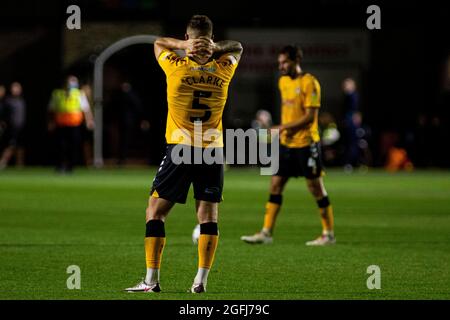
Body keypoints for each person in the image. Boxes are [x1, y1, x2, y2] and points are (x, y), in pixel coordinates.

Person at [125, 15, 242, 293]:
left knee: (155, 212)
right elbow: (237, 46)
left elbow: (157, 43)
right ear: (211, 40)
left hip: (180, 148)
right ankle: (200, 281)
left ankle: (151, 281)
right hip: (212, 150)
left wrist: (180, 45)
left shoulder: (176, 67)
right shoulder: (224, 69)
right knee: (208, 217)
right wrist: (214, 48)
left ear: (188, 39)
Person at [241, 45, 336, 246]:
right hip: (286, 143)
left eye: (285, 62)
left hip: (306, 143)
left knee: (315, 187)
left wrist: (281, 127)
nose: (281, 66)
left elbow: (310, 117)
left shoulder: (310, 83)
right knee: (275, 184)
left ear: (296, 61)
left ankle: (328, 234)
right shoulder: (283, 82)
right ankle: (266, 232)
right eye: (279, 63)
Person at [48, 75, 94, 173]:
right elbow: (51, 109)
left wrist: (89, 120)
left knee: (73, 145)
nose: (71, 84)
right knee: (61, 146)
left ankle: (71, 165)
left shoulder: (79, 94)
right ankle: (60, 165)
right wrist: (50, 122)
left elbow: (86, 109)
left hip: (74, 124)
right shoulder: (57, 93)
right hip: (61, 124)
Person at [0, 82, 27, 169]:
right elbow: (3, 114)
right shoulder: (7, 101)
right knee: (11, 145)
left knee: (20, 146)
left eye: (17, 88)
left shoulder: (22, 101)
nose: (15, 90)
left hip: (21, 128)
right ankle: (3, 162)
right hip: (12, 128)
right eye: (14, 88)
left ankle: (19, 164)